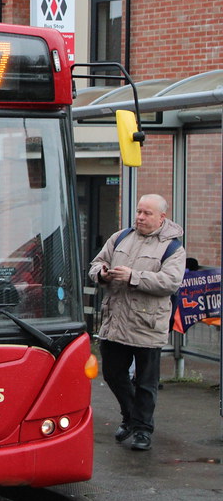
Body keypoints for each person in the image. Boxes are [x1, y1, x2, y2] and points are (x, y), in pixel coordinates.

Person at [89, 193, 185, 451]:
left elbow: (171, 282)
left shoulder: (173, 248)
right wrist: (103, 274)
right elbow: (96, 263)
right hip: (115, 322)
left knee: (145, 383)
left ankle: (142, 430)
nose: (140, 217)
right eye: (139, 212)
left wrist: (134, 276)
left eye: (147, 213)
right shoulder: (120, 237)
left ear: (161, 217)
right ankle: (131, 417)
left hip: (147, 325)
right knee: (112, 374)